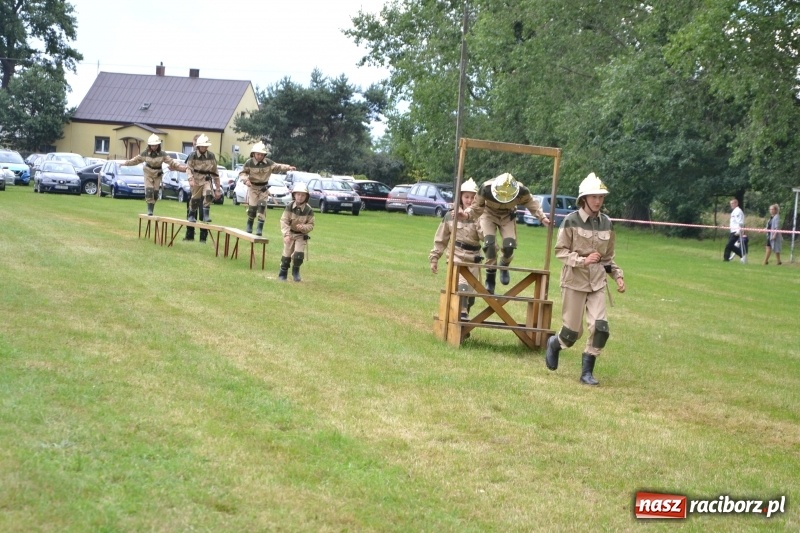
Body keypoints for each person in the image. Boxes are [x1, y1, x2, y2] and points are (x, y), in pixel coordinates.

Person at [545, 173, 625, 386]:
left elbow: (607, 258)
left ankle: (586, 373)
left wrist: (617, 275)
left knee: (600, 327)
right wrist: (582, 260)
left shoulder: (607, 223)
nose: (598, 201)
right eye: (593, 197)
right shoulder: (571, 220)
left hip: (597, 282)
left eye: (601, 197)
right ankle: (555, 343)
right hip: (574, 281)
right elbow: (560, 251)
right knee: (571, 333)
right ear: (584, 199)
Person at [460, 173, 550, 294]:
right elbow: (476, 206)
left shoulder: (522, 191)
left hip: (507, 215)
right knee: (489, 244)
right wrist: (467, 215)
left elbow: (531, 203)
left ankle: (504, 264)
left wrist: (542, 217)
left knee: (510, 245)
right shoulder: (486, 188)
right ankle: (490, 277)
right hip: (488, 214)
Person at [429, 178, 483, 320]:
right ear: (460, 197)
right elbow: (441, 239)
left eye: (473, 197)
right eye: (466, 197)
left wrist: (477, 219)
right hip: (456, 256)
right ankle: (461, 316)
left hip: (474, 258)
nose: (469, 200)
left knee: (469, 297)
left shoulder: (481, 216)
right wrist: (434, 258)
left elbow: (485, 237)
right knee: (461, 287)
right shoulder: (450, 215)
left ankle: (462, 322)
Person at [120, 134, 186, 216]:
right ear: (149, 145)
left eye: (155, 145)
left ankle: (152, 206)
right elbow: (136, 160)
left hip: (157, 173)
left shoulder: (162, 154)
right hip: (148, 172)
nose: (154, 147)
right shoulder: (145, 153)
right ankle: (149, 210)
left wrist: (179, 166)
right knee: (149, 190)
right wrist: (125, 163)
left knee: (155, 192)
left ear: (158, 145)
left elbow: (171, 161)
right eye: (152, 146)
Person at [238, 142, 295, 236]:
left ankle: (259, 228)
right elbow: (242, 173)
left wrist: (288, 167)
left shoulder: (268, 162)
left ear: (264, 155)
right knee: (252, 207)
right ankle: (249, 224)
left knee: (262, 207)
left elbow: (278, 166)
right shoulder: (249, 162)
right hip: (252, 187)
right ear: (253, 154)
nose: (260, 156)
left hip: (263, 188)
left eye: (262, 154)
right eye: (258, 154)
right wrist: (245, 180)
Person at [185, 134, 221, 243]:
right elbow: (188, 168)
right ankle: (191, 216)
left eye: (206, 146)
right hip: (196, 180)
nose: (204, 148)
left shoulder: (211, 156)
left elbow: (215, 172)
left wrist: (218, 188)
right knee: (195, 200)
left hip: (206, 179)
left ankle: (206, 216)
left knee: (209, 194)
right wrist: (190, 179)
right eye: (202, 146)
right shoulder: (192, 155)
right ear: (198, 146)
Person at [279, 182, 315, 282]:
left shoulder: (309, 210)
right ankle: (282, 273)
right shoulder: (289, 206)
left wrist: (303, 227)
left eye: (303, 195)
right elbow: (284, 221)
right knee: (286, 255)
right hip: (290, 233)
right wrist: (286, 235)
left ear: (306, 197)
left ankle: (296, 272)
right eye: (298, 194)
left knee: (298, 255)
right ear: (294, 195)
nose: (300, 197)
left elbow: (311, 225)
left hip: (301, 235)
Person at [723, 198, 747, 263]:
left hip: (736, 231)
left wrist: (739, 231)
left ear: (737, 203)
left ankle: (726, 259)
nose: (732, 205)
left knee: (728, 245)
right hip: (732, 231)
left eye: (733, 203)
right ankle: (742, 254)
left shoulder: (738, 211)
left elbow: (740, 222)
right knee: (730, 245)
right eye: (731, 203)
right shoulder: (734, 211)